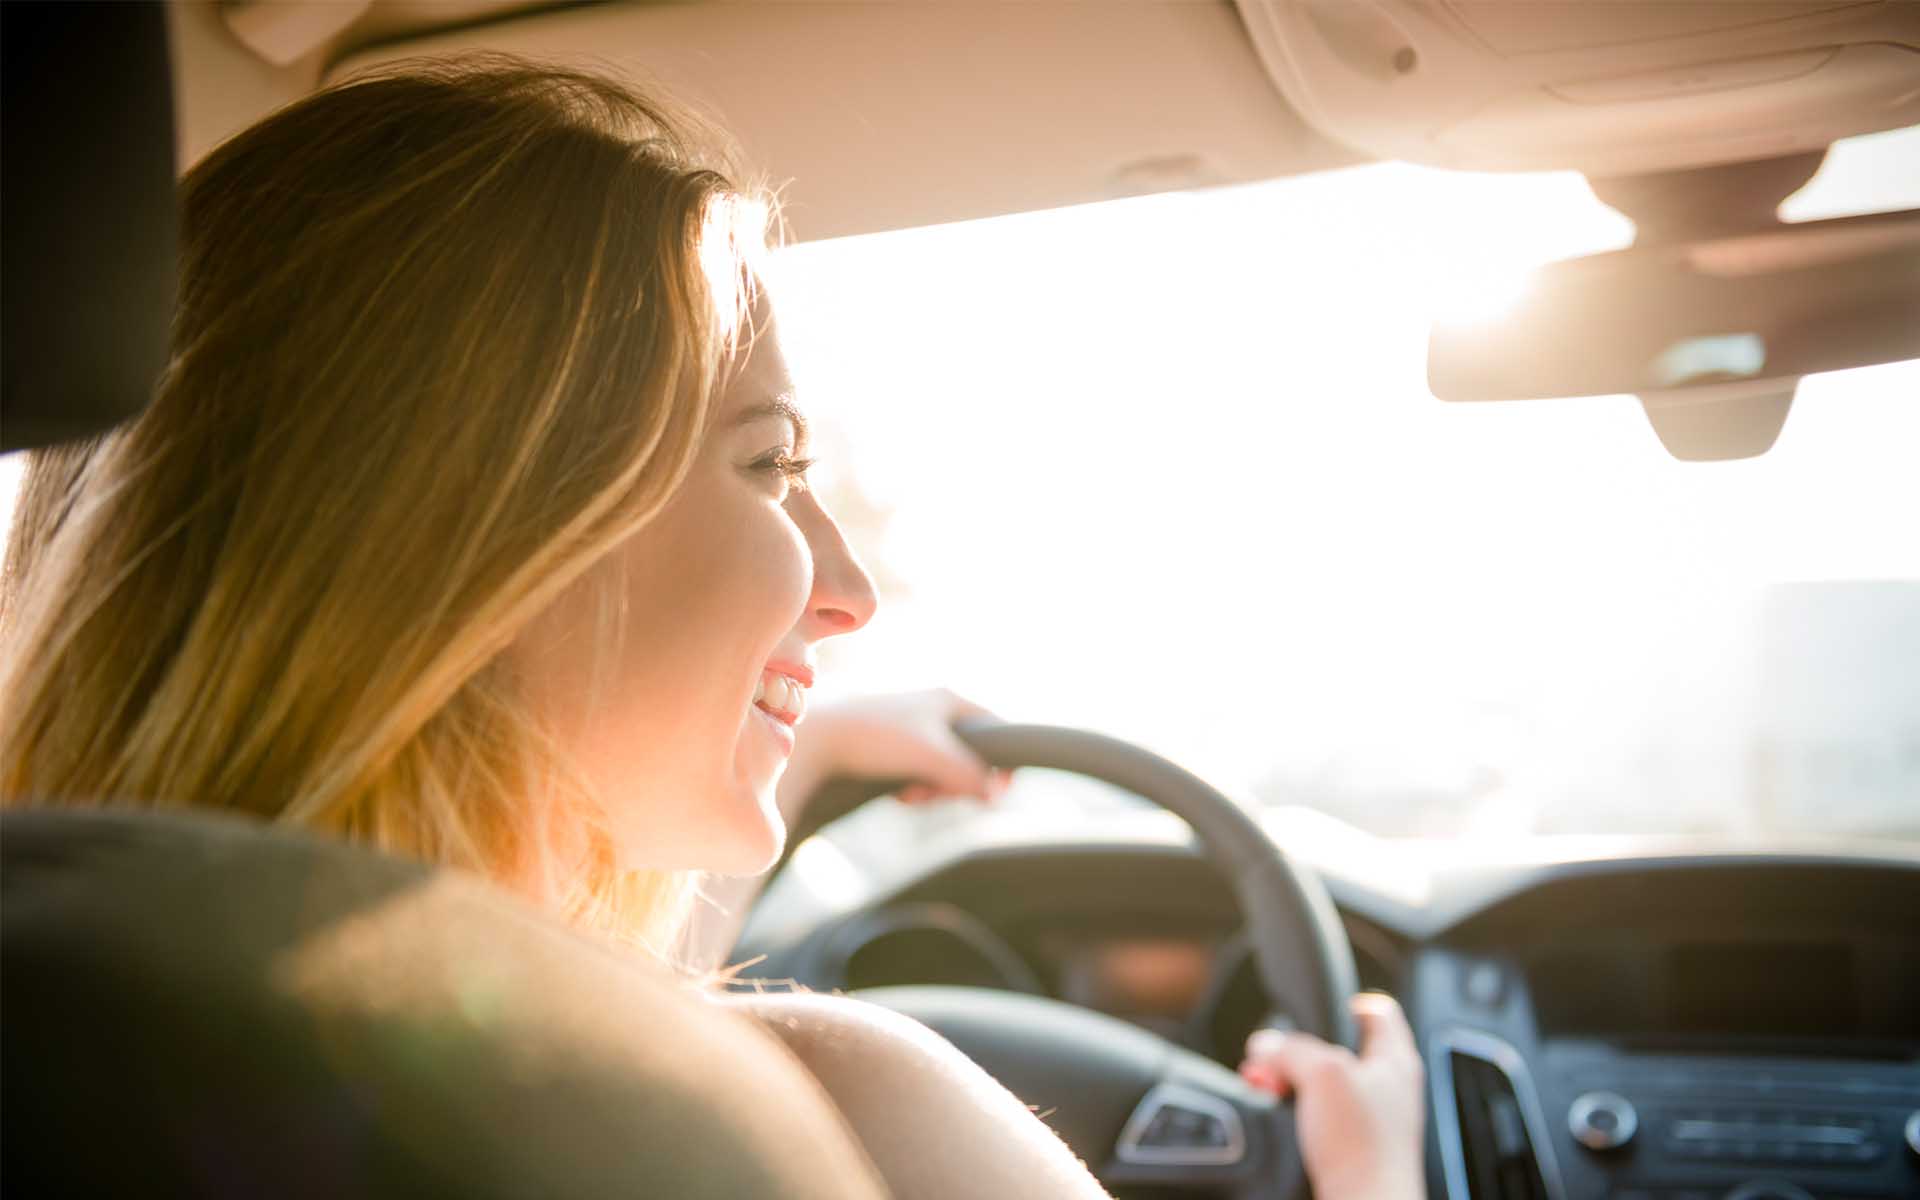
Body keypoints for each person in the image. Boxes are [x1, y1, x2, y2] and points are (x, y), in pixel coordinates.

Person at [0, 56, 1422, 1198]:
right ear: (488, 533)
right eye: (770, 464)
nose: (849, 588)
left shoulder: (76, 1032)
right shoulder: (843, 1113)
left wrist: (807, 754)